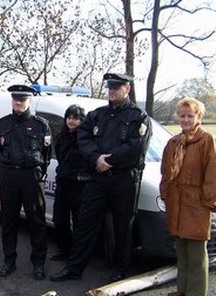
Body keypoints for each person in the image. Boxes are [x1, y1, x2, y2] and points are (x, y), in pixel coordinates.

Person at [50, 73, 152, 283]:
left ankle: (119, 269)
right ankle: (74, 268)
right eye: (110, 87)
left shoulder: (137, 117)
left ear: (127, 89)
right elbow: (83, 136)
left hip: (124, 179)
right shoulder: (98, 115)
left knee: (122, 226)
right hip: (97, 178)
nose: (112, 91)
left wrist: (110, 160)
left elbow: (136, 147)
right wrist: (96, 158)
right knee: (85, 223)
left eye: (117, 87)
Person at [160, 97, 216, 296]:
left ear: (198, 116)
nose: (185, 120)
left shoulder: (206, 140)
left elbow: (212, 173)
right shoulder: (173, 142)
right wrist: (165, 194)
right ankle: (182, 290)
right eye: (182, 116)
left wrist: (210, 202)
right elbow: (166, 172)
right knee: (181, 252)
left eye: (190, 116)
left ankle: (196, 293)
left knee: (196, 255)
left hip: (197, 205)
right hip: (177, 203)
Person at [0, 84, 52, 280]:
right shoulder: (2, 124)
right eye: (16, 99)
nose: (19, 103)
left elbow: (46, 154)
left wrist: (38, 174)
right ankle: (9, 261)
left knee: (37, 222)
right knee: (9, 221)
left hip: (31, 179)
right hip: (9, 177)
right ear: (12, 101)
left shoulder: (41, 124)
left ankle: (38, 264)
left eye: (23, 99)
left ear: (29, 101)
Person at [50, 104, 89, 262]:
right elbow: (59, 156)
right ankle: (64, 250)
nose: (71, 121)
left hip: (79, 185)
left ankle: (77, 254)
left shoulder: (85, 139)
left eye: (75, 118)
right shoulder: (61, 137)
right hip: (63, 183)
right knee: (60, 219)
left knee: (79, 221)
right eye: (69, 118)